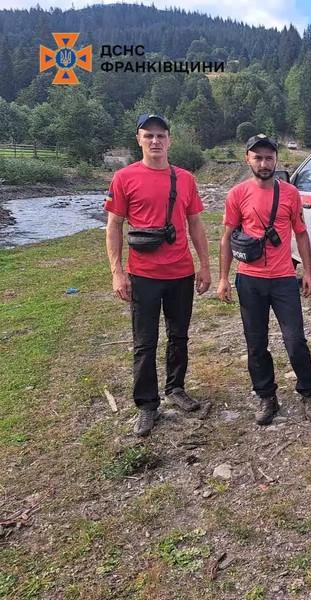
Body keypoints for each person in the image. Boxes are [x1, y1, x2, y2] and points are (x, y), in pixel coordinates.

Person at [105, 113, 211, 437]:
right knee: (145, 342)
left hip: (180, 273)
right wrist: (117, 272)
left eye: (160, 135)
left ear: (169, 140)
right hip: (144, 275)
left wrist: (205, 266)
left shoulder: (186, 179)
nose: (155, 141)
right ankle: (147, 405)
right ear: (138, 139)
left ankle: (176, 388)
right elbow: (114, 226)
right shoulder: (123, 178)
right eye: (148, 135)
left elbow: (195, 224)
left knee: (179, 335)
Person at [217, 134, 311, 424]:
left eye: (269, 157)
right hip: (249, 280)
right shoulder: (237, 194)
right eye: (258, 157)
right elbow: (227, 238)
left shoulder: (289, 193)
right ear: (247, 159)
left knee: (295, 340)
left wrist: (309, 272)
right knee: (256, 342)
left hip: (284, 279)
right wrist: (223, 278)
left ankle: (309, 393)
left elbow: (301, 233)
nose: (264, 163)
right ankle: (266, 396)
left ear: (276, 160)